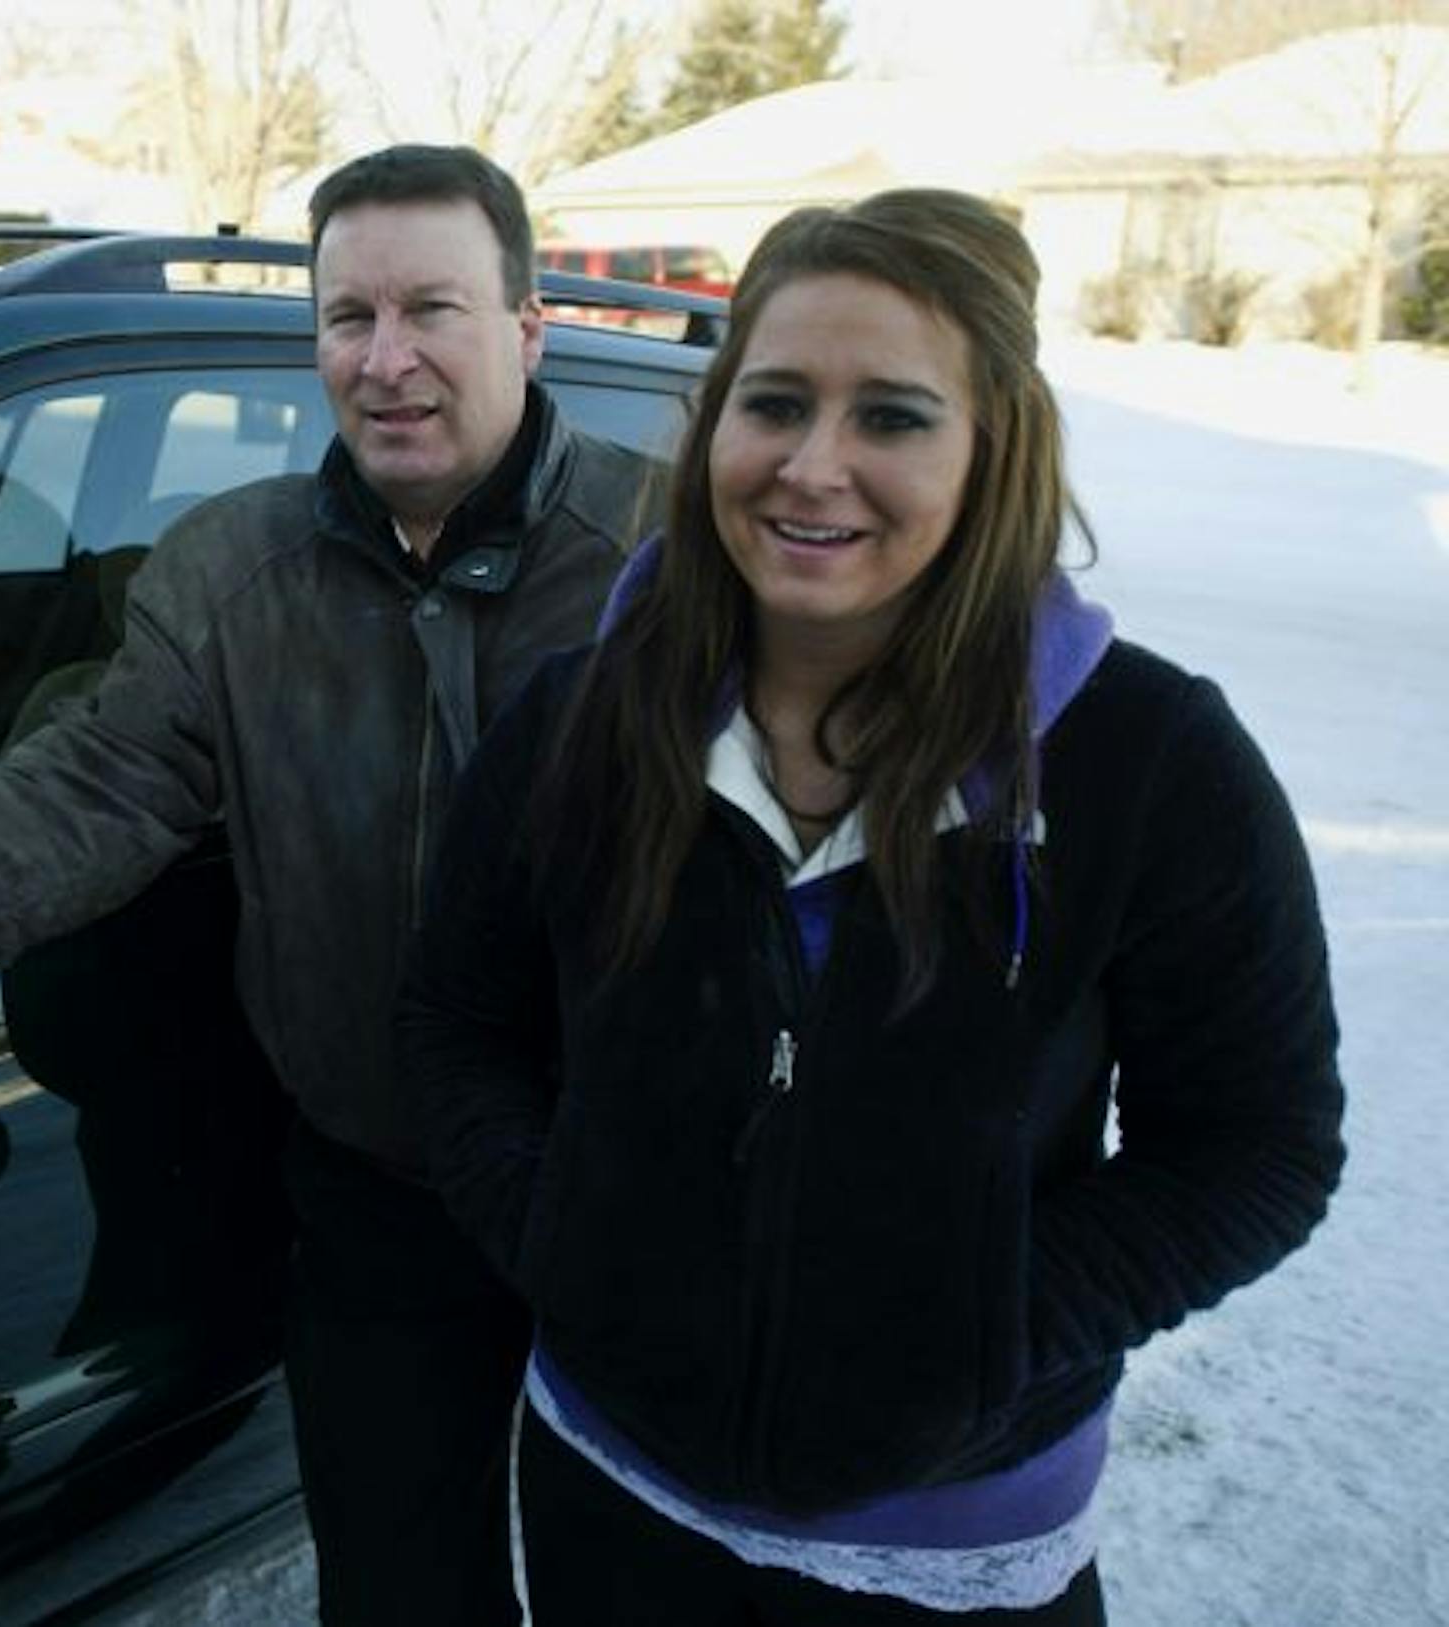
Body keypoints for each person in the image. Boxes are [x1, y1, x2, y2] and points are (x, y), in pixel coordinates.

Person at [397, 189, 1345, 1624]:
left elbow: (1258, 1145)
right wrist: (566, 1239)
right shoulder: (582, 720)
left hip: (950, 1544)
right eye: (776, 404)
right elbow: (458, 1021)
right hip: (610, 1482)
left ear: (993, 447)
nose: (814, 466)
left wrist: (986, 1321)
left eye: (892, 416)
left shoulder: (1149, 761)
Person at [0, 143, 666, 1626]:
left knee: (639, 1599)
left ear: (528, 329)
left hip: (634, 1203)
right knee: (399, 1593)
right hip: (380, 1194)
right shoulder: (233, 572)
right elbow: (99, 783)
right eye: (349, 318)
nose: (385, 361)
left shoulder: (668, 560)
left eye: (432, 310)